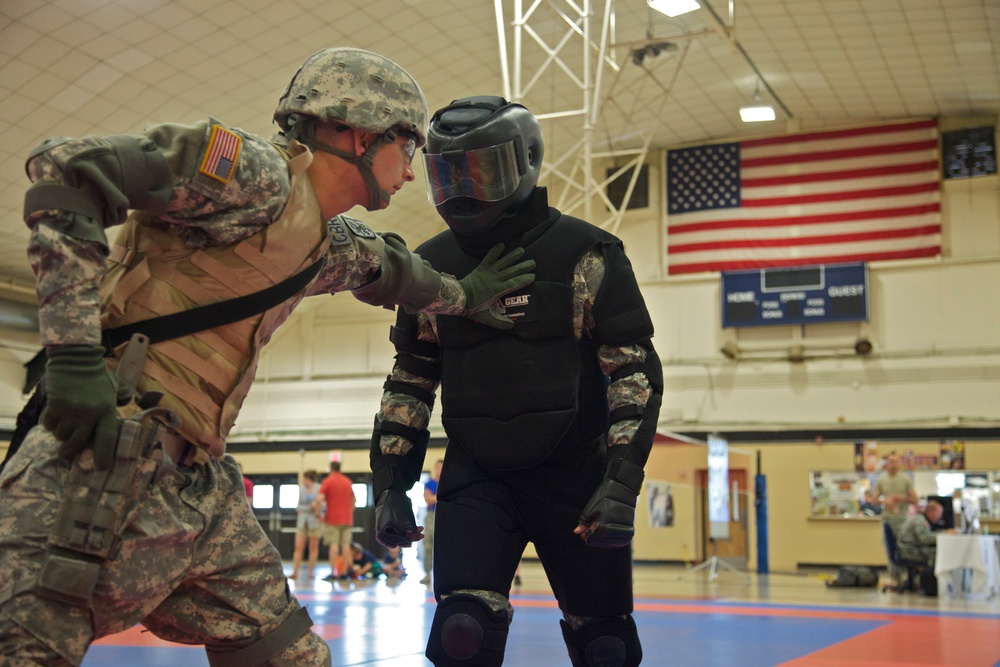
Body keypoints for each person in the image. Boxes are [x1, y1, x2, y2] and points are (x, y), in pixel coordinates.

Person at [0, 48, 534, 666]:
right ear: (356, 131)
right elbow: (67, 169)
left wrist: (468, 296)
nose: (413, 172)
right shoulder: (249, 173)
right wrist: (73, 355)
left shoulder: (325, 241)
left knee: (290, 657)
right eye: (407, 147)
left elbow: (395, 272)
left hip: (198, 490)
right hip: (96, 468)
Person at [369, 96, 662, 667]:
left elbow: (633, 370)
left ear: (525, 158)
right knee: (461, 635)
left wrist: (622, 478)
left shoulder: (586, 254)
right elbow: (410, 381)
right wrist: (389, 483)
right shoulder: (427, 268)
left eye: (479, 169)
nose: (462, 189)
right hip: (478, 479)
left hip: (576, 477)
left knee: (605, 646)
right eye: (447, 173)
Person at [875, 454, 919, 590]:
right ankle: (895, 578)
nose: (893, 464)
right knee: (889, 548)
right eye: (890, 462)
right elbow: (874, 499)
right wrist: (885, 501)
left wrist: (901, 498)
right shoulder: (881, 480)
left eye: (895, 462)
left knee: (904, 548)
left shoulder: (905, 479)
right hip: (887, 519)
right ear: (886, 464)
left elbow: (915, 500)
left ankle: (909, 577)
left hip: (902, 519)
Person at [318, 461, 356, 581]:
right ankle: (344, 572)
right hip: (347, 518)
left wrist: (318, 514)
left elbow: (319, 499)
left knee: (333, 545)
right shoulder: (347, 481)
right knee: (345, 545)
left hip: (333, 518)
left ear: (330, 469)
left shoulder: (328, 481)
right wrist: (349, 511)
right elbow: (354, 499)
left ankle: (334, 573)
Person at [290, 469, 322, 580]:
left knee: (313, 548)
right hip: (302, 522)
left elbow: (322, 505)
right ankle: (295, 571)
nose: (303, 481)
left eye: (305, 478)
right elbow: (298, 507)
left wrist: (316, 507)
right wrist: (310, 507)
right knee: (298, 547)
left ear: (309, 479)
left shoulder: (319, 488)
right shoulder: (302, 490)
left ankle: (311, 572)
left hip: (315, 522)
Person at [898, 500, 950, 567]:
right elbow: (925, 539)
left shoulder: (920, 518)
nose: (940, 516)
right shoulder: (920, 521)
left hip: (909, 549)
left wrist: (943, 533)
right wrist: (945, 534)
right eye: (939, 513)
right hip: (909, 551)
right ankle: (936, 576)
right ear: (931, 512)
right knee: (942, 554)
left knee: (938, 552)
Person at [421, 459, 443, 584]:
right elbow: (428, 499)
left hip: (445, 515)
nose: (440, 470)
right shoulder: (429, 483)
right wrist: (441, 497)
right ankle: (428, 573)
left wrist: (435, 498)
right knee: (428, 542)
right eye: (438, 468)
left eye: (442, 468)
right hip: (431, 515)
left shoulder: (448, 483)